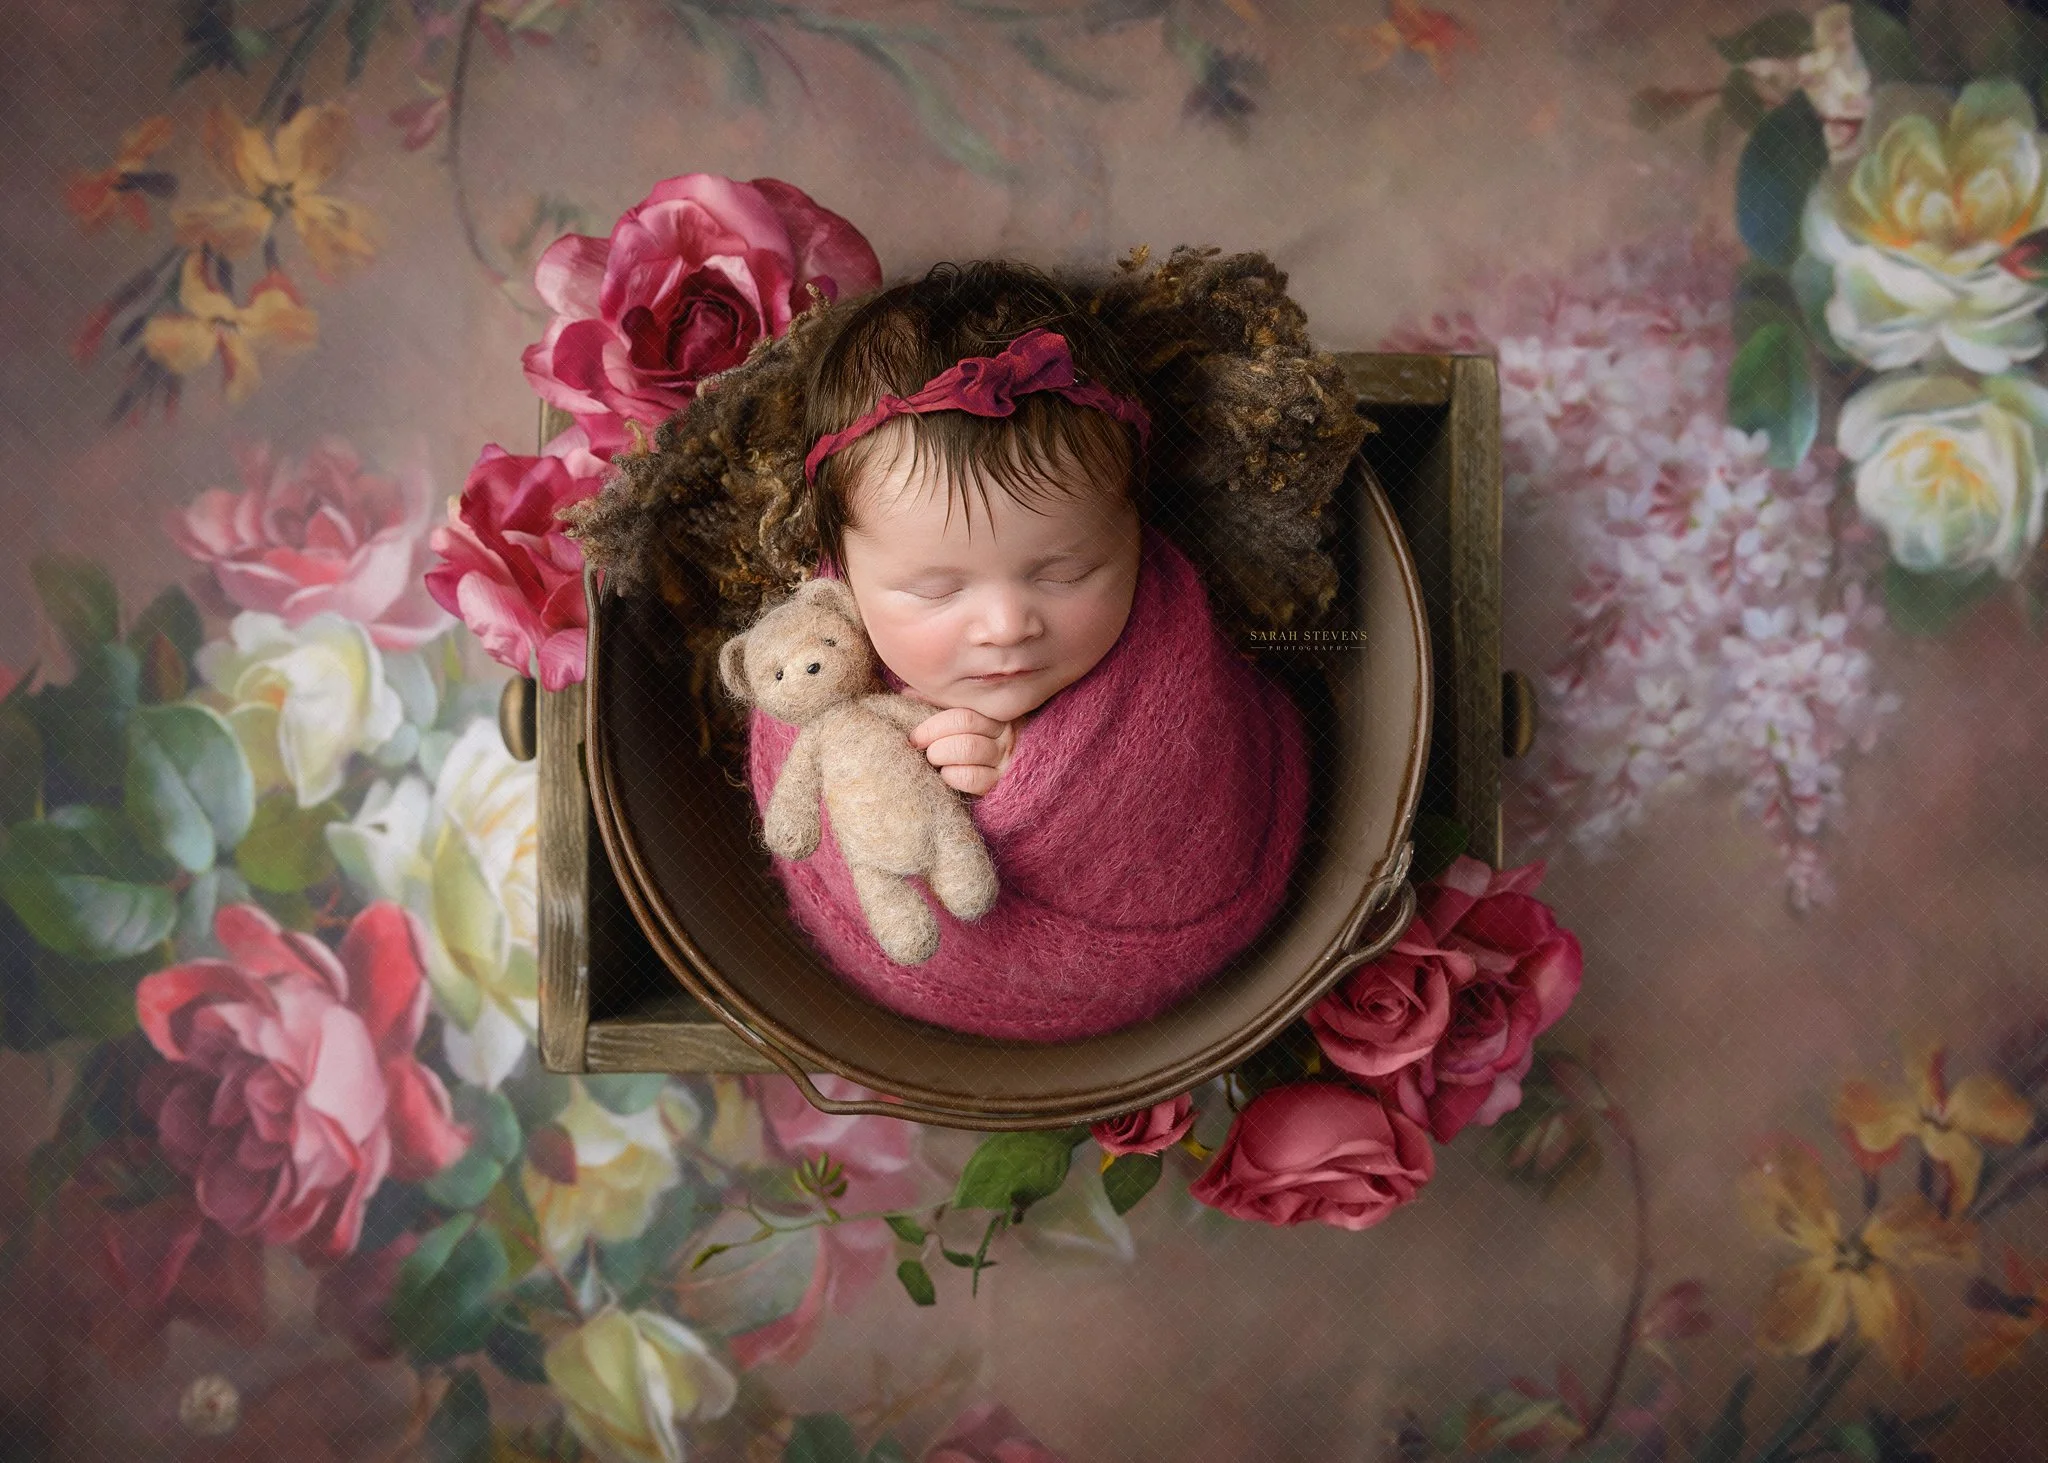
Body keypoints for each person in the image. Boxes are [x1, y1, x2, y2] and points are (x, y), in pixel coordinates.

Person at [569, 247, 1370, 1042]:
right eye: (936, 590)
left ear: (1138, 527)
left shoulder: (1179, 643)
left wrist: (1035, 770)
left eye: (1065, 570)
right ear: (838, 567)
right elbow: (815, 816)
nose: (1006, 624)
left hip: (1192, 920)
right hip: (938, 978)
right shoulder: (810, 663)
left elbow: (1216, 771)